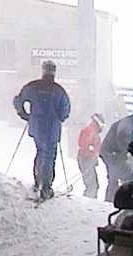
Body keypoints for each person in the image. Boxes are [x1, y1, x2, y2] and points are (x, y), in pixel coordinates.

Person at [13, 60, 71, 201]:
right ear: (54, 72)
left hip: (37, 127)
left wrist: (25, 114)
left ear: (43, 71)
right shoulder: (59, 90)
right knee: (49, 156)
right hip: (51, 128)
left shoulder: (33, 86)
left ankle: (37, 182)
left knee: (40, 152)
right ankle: (45, 188)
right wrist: (59, 118)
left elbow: (18, 100)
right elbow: (65, 111)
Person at [100, 114, 133, 202]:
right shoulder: (127, 124)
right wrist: (126, 152)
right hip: (111, 152)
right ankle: (111, 201)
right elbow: (123, 136)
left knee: (124, 176)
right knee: (115, 177)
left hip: (116, 152)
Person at [77, 113, 105, 198]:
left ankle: (89, 201)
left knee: (93, 185)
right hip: (86, 160)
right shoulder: (90, 131)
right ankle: (88, 202)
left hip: (88, 160)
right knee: (91, 185)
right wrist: (91, 153)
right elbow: (84, 145)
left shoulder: (93, 132)